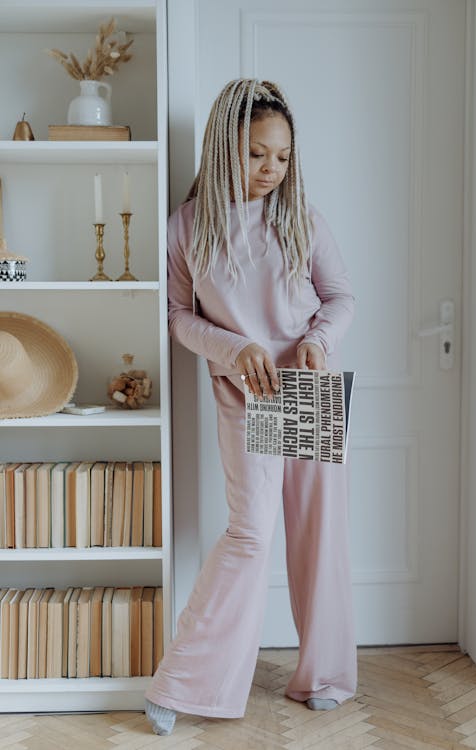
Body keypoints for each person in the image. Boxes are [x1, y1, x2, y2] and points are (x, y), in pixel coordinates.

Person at [144, 78, 356, 736]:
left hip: (310, 387)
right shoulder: (188, 228)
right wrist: (235, 348)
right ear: (222, 148)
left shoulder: (301, 218)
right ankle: (185, 681)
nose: (272, 170)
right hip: (244, 395)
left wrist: (319, 341)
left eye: (283, 157)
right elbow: (177, 317)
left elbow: (341, 298)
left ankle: (323, 674)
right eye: (258, 154)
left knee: (318, 530)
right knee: (251, 533)